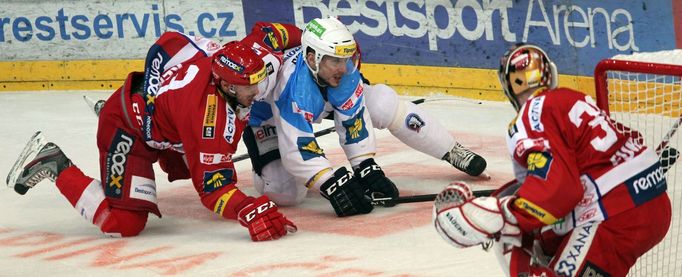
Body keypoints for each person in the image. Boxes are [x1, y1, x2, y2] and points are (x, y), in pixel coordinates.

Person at [7, 25, 301, 241]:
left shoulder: (238, 59)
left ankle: (151, 115)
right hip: (127, 127)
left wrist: (315, 46)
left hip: (166, 125)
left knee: (194, 165)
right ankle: (53, 163)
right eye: (249, 86)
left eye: (258, 80)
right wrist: (246, 207)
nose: (258, 90)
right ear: (227, 86)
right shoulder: (206, 120)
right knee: (125, 223)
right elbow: (213, 190)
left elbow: (171, 41)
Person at [432, 44, 671, 276]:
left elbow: (559, 189)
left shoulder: (529, 114)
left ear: (507, 86)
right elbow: (626, 141)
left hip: (617, 215)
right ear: (551, 75)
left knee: (520, 235)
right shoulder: (572, 98)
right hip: (653, 204)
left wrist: (504, 214)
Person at [244, 17, 488, 214]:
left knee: (382, 103)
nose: (344, 67)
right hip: (267, 119)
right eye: (335, 61)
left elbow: (354, 122)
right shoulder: (292, 86)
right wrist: (331, 183)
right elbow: (299, 148)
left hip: (319, 97)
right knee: (286, 194)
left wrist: (365, 167)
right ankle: (263, 167)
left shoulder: (342, 71)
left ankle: (451, 149)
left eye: (346, 59)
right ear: (312, 58)